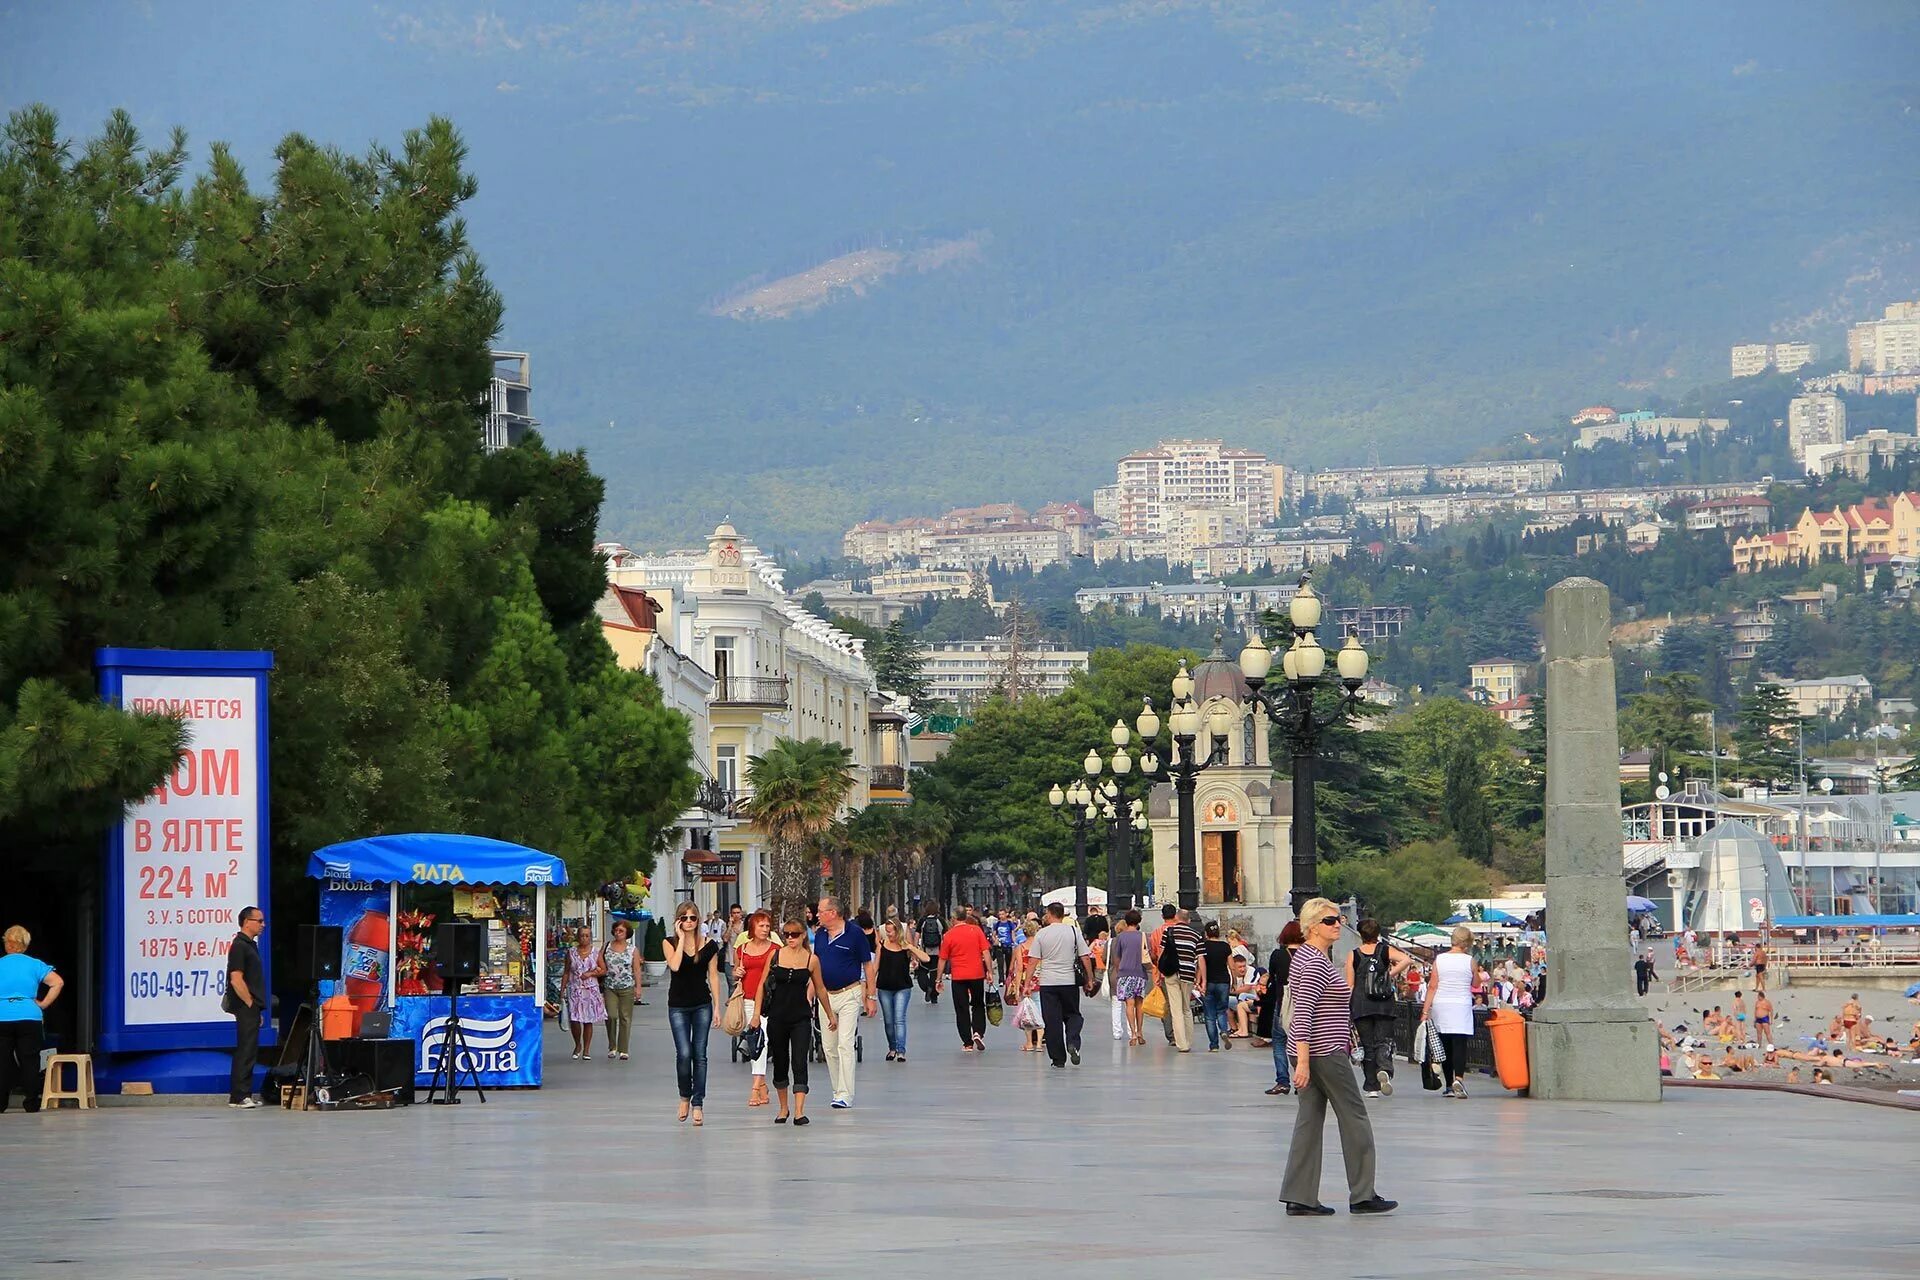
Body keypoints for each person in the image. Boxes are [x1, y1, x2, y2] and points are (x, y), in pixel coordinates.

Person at [1280, 898, 1395, 1217]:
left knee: (1309, 1119)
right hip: (1324, 1053)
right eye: (1331, 921)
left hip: (1307, 1052)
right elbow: (1304, 1012)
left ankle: (1299, 1195)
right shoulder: (1315, 962)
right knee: (1355, 1116)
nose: (1339, 925)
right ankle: (1363, 1193)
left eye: (1340, 919)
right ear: (1313, 926)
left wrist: (1300, 1057)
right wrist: (1302, 1063)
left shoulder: (1303, 955)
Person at [757, 918, 835, 1125]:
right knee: (780, 1062)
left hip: (800, 1017)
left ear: (803, 936)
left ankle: (799, 1111)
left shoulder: (812, 960)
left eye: (794, 934)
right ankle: (783, 1108)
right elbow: (762, 986)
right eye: (786, 934)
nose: (790, 938)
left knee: (800, 1061)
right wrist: (756, 1014)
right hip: (777, 1017)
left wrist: (829, 1014)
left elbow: (820, 988)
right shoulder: (775, 956)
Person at [813, 896, 877, 1109]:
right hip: (826, 997)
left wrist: (870, 996)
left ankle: (845, 1094)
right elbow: (816, 966)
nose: (817, 915)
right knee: (829, 1046)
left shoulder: (855, 934)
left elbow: (868, 965)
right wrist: (810, 993)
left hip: (850, 993)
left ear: (833, 913)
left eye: (821, 911)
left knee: (845, 1044)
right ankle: (837, 1088)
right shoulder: (820, 935)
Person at [662, 904, 722, 1125]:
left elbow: (714, 976)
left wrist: (717, 1007)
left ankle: (698, 1103)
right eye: (684, 918)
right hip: (677, 1005)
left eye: (693, 918)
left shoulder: (709, 946)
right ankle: (684, 1096)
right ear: (678, 920)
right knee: (684, 1053)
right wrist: (680, 938)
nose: (689, 921)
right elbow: (675, 966)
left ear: (699, 921)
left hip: (701, 1004)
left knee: (700, 1053)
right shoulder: (669, 943)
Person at [1, 925, 64, 1114]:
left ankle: (1, 1102)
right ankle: (31, 1102)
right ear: (25, 945)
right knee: (30, 1059)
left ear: (7, 944)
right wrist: (43, 1004)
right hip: (29, 1016)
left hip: (2, 1017)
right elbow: (57, 982)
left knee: (2, 1060)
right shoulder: (35, 964)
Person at [1346, 919, 1409, 1099]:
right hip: (1383, 1002)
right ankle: (1385, 1069)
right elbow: (1406, 959)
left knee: (1367, 1044)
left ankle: (1371, 1086)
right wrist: (1388, 974)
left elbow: (1349, 984)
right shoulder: (1384, 950)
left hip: (1361, 1003)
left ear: (1361, 934)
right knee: (1383, 1040)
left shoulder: (1354, 955)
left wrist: (1347, 1006)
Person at [1028, 902, 1092, 1068]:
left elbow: (1033, 960)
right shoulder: (1073, 931)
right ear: (1063, 914)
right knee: (1073, 1014)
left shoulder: (1042, 934)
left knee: (1052, 1021)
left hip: (1048, 983)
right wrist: (1090, 978)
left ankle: (1058, 1059)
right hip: (1069, 982)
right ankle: (1072, 1041)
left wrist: (1027, 983)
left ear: (1049, 914)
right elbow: (1085, 956)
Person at [1422, 925, 1476, 1099]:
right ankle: (1458, 1078)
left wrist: (1425, 1010)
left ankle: (1448, 1085)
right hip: (1461, 1005)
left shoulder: (1439, 959)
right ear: (1467, 943)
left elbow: (1432, 986)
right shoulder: (1470, 960)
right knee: (1460, 1045)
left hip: (1441, 1005)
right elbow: (1476, 984)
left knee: (1444, 1046)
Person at [224, 906, 268, 1109]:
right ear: (247, 921)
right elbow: (236, 978)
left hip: (252, 1005)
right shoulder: (240, 945)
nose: (262, 925)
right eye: (259, 921)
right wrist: (250, 1003)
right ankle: (240, 1095)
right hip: (245, 1005)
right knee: (246, 1049)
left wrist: (256, 1007)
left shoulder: (250, 945)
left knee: (250, 1048)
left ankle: (243, 1093)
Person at [735, 911, 778, 1106]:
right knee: (754, 1042)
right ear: (752, 927)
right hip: (747, 998)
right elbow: (737, 972)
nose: (765, 929)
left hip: (769, 1001)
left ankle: (754, 1087)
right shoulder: (742, 949)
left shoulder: (776, 949)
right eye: (761, 925)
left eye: (768, 926)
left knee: (764, 1040)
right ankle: (761, 1084)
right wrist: (737, 972)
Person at [936, 903, 993, 1051]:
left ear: (954, 919)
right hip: (976, 974)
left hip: (959, 976)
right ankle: (978, 1031)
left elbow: (942, 959)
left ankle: (967, 1042)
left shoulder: (948, 936)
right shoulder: (976, 930)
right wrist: (990, 972)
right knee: (978, 1004)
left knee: (961, 1008)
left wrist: (938, 979)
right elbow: (986, 952)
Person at [875, 908, 928, 1062]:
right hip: (884, 987)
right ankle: (892, 1048)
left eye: (890, 932)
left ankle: (900, 1051)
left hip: (902, 987)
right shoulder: (882, 945)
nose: (888, 934)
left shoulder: (905, 947)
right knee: (888, 1020)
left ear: (898, 931)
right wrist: (869, 988)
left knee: (899, 1019)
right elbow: (875, 966)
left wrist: (910, 948)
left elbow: (926, 959)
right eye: (887, 931)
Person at [1264, 923, 1304, 1094]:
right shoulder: (1308, 955)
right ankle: (1301, 1079)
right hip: (1304, 1004)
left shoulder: (1278, 955)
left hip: (1284, 1003)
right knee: (1301, 1042)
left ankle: (1283, 1081)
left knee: (1280, 1042)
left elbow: (1272, 976)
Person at [1158, 908, 1203, 1053]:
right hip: (1188, 973)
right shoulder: (1197, 935)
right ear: (1189, 920)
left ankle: (1182, 1044)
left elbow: (1161, 953)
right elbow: (1201, 959)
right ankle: (1189, 1041)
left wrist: (1160, 972)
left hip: (1171, 973)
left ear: (1176, 918)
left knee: (1176, 1009)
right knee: (1186, 1009)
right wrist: (1202, 979)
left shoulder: (1168, 932)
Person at [564, 924, 608, 1062]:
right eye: (582, 935)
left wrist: (590, 973)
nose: (584, 938)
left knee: (588, 1020)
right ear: (578, 937)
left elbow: (603, 970)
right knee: (575, 1020)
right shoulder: (571, 952)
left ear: (590, 937)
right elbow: (566, 972)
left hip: (590, 989)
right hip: (575, 989)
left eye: (587, 935)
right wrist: (562, 990)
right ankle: (578, 1045)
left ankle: (587, 1049)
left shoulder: (596, 952)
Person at [1111, 910, 1151, 1045]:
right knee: (1140, 1004)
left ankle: (1132, 1033)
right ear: (1138, 921)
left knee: (1129, 1003)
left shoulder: (1121, 937)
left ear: (1126, 921)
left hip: (1125, 972)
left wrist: (1118, 970)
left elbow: (1117, 957)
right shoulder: (1144, 936)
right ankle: (1140, 1031)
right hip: (1140, 972)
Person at [601, 920, 639, 1061]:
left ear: (627, 933)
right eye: (616, 930)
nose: (618, 933)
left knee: (625, 1017)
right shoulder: (607, 947)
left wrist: (638, 988)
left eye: (621, 931)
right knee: (611, 1016)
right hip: (610, 986)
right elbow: (600, 962)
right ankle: (612, 1046)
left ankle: (623, 1049)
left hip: (627, 986)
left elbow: (636, 970)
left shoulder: (632, 949)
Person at [1200, 921, 1233, 1052]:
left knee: (1209, 1015)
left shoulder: (1203, 946)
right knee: (1221, 1010)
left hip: (1209, 982)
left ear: (1207, 934)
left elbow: (1200, 965)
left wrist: (1200, 980)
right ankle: (1224, 1030)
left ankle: (1214, 1045)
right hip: (1224, 981)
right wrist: (1234, 981)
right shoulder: (1225, 946)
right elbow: (1232, 965)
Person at [991, 909, 1018, 986]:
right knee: (1000, 963)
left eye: (1002, 914)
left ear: (1006, 914)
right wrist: (995, 940)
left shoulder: (1010, 924)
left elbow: (1012, 934)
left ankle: (1007, 978)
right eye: (1000, 914)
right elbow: (993, 934)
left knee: (1009, 963)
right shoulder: (997, 924)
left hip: (1008, 945)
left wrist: (1015, 943)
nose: (1001, 916)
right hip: (999, 946)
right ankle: (1001, 980)